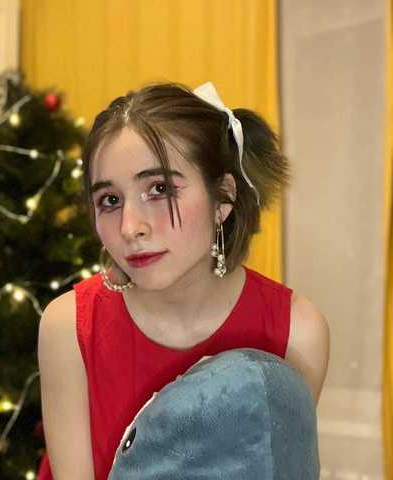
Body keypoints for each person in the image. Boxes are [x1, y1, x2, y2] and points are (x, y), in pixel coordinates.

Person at [37, 82, 330, 480]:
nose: (130, 227)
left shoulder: (297, 332)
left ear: (223, 197)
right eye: (110, 200)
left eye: (159, 189)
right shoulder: (69, 328)